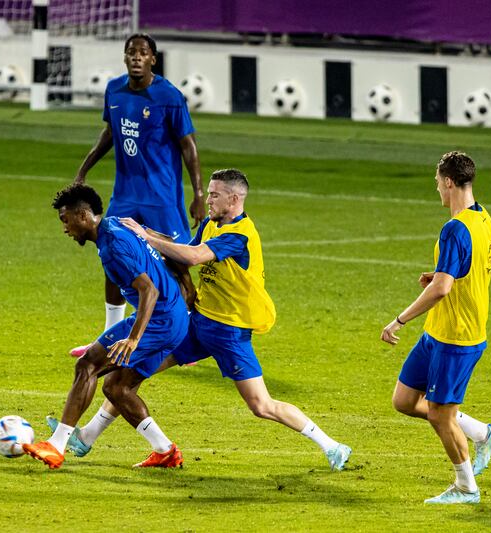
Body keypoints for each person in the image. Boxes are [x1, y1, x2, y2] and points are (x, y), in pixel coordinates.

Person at [48, 169, 353, 471]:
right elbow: (183, 251)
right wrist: (152, 241)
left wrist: (145, 235)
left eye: (214, 194)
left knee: (261, 406)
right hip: (196, 323)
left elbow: (194, 257)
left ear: (234, 199)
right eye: (208, 192)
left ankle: (331, 445)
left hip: (228, 331)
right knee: (124, 378)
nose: (207, 199)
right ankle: (87, 436)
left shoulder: (239, 234)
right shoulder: (211, 223)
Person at [22, 184, 190, 469]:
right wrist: (186, 290)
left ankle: (57, 445)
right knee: (117, 388)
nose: (65, 228)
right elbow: (164, 242)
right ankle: (165, 451)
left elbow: (148, 291)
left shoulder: (112, 247)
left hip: (158, 319)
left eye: (66, 220)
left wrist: (134, 339)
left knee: (87, 365)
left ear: (84, 215)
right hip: (174, 318)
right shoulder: (115, 223)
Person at [69, 33, 204, 357]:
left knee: (178, 266)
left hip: (162, 198)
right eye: (131, 52)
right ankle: (106, 335)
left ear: (153, 59)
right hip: (126, 195)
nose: (136, 57)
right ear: (125, 57)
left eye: (143, 53)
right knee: (112, 257)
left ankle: (191, 339)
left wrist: (198, 192)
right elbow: (110, 133)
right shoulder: (114, 90)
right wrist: (83, 170)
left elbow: (188, 145)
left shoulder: (169, 96)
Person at [381, 151, 491, 504]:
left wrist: (399, 319)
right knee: (404, 400)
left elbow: (443, 289)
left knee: (438, 414)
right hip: (438, 332)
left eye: (437, 184)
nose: (437, 190)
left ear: (448, 182)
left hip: (458, 337)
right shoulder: (483, 217)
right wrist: (442, 272)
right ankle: (482, 433)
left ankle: (466, 487)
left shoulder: (454, 228)